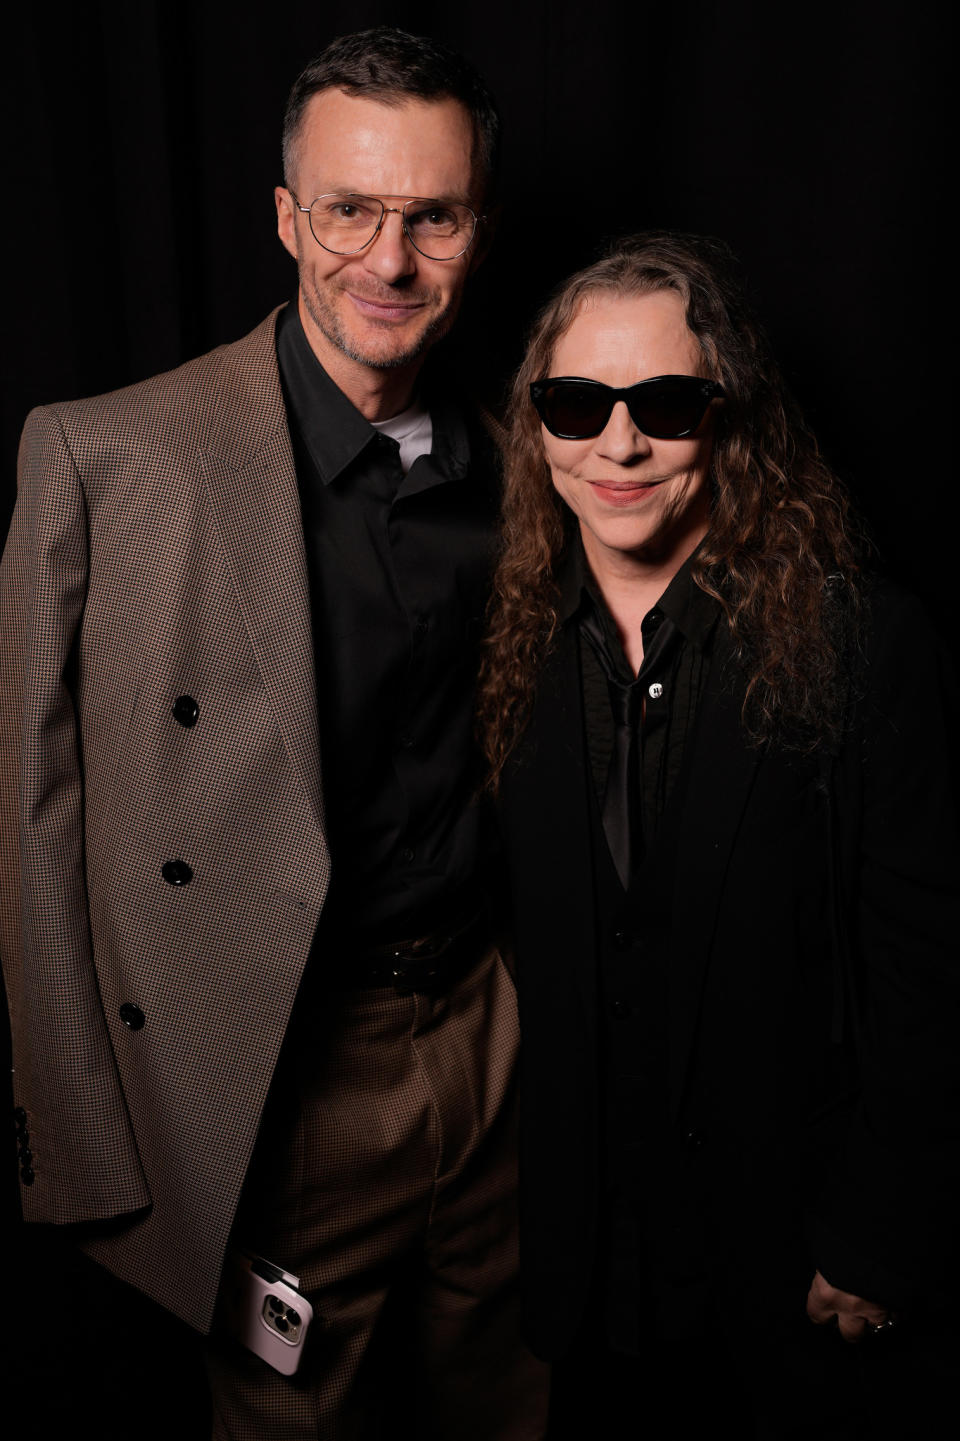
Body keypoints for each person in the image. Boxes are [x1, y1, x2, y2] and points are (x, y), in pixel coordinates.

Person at [0, 26, 547, 1441]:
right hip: (279, 1069)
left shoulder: (529, 461)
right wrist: (85, 1150)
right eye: (351, 210)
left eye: (433, 215)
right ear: (287, 218)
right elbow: (33, 821)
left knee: (518, 1401)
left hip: (492, 1038)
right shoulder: (106, 456)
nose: (389, 259)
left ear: (479, 228)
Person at [478, 232, 960, 1438]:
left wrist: (880, 1232)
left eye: (668, 405)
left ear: (730, 419)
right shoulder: (504, 655)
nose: (619, 445)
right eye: (578, 405)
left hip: (795, 1279)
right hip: (593, 1287)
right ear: (538, 429)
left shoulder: (863, 642)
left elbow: (930, 969)